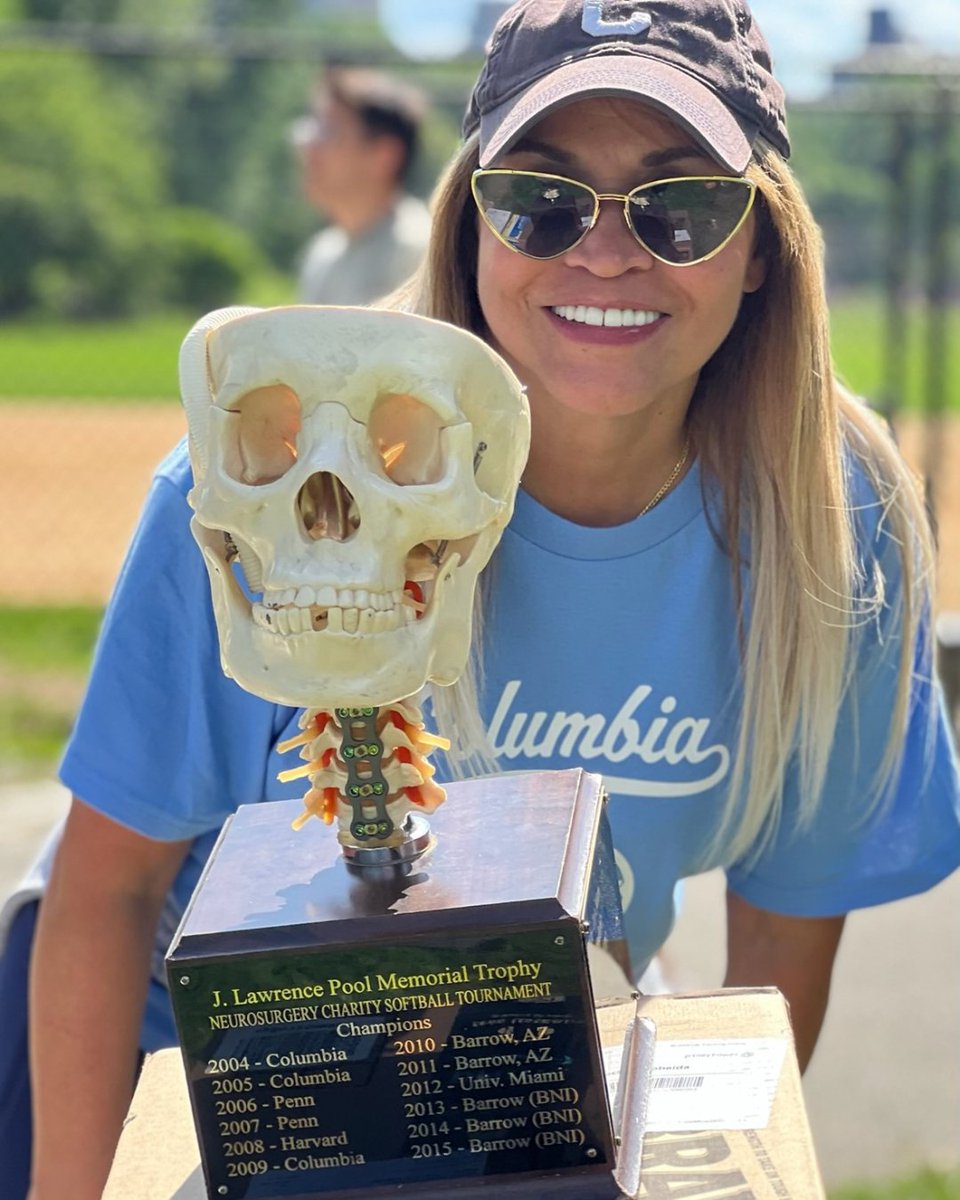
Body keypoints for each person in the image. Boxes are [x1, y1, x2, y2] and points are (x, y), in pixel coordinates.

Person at [3, 1, 959, 1196]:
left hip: (525, 1054)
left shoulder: (839, 524)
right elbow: (106, 887)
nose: (605, 254)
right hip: (198, 1056)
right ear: (470, 225)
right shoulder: (279, 474)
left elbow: (772, 968)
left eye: (682, 206)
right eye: (540, 199)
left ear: (762, 245)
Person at [291, 65, 431, 305]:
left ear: (385, 154)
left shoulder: (421, 253)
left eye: (329, 131)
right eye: (312, 129)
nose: (308, 146)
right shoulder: (322, 255)